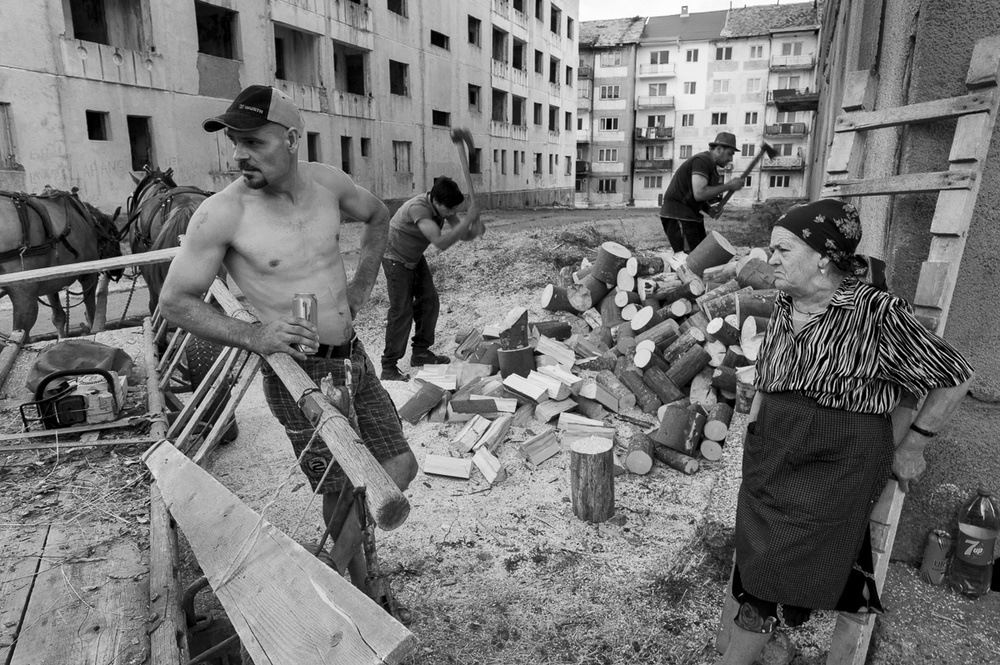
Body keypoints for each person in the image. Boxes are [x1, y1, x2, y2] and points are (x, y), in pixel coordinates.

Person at [158, 84, 418, 599]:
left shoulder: (328, 183)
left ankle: (335, 566)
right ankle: (355, 590)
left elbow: (378, 216)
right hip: (299, 371)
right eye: (234, 142)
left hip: (352, 355)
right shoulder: (222, 213)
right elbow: (175, 301)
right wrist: (256, 335)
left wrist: (362, 285)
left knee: (398, 467)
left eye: (254, 141)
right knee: (340, 487)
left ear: (292, 139)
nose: (239, 155)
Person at [718, 199, 975, 664]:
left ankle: (748, 640)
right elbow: (769, 378)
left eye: (782, 250)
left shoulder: (874, 311)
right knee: (759, 555)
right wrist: (754, 430)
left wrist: (915, 444)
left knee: (774, 567)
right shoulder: (786, 302)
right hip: (773, 451)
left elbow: (956, 377)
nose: (770, 259)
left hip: (837, 462)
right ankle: (768, 626)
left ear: (823, 257)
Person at [380, 176, 482, 381]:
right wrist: (468, 221)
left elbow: (462, 234)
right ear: (435, 201)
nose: (452, 213)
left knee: (429, 301)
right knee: (402, 311)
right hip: (395, 258)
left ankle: (420, 352)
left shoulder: (443, 206)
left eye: (455, 209)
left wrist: (474, 229)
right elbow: (440, 242)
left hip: (414, 257)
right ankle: (388, 366)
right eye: (449, 209)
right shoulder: (418, 208)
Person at [659, 131, 745, 253]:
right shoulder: (702, 161)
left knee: (701, 255)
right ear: (719, 149)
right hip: (678, 215)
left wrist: (709, 209)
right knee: (687, 258)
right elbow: (699, 193)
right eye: (730, 154)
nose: (730, 159)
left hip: (691, 217)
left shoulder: (712, 169)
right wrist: (729, 185)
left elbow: (696, 196)